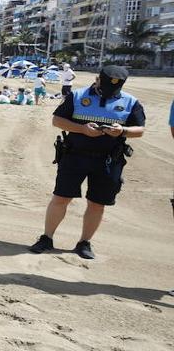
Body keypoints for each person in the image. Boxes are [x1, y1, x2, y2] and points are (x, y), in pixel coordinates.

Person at [29, 66, 146, 260]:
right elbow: (57, 120)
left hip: (109, 161)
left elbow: (140, 130)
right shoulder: (77, 96)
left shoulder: (130, 102)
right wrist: (82, 129)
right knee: (61, 198)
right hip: (75, 156)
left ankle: (84, 243)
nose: (109, 92)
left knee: (97, 204)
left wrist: (122, 131)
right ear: (97, 79)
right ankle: (46, 238)